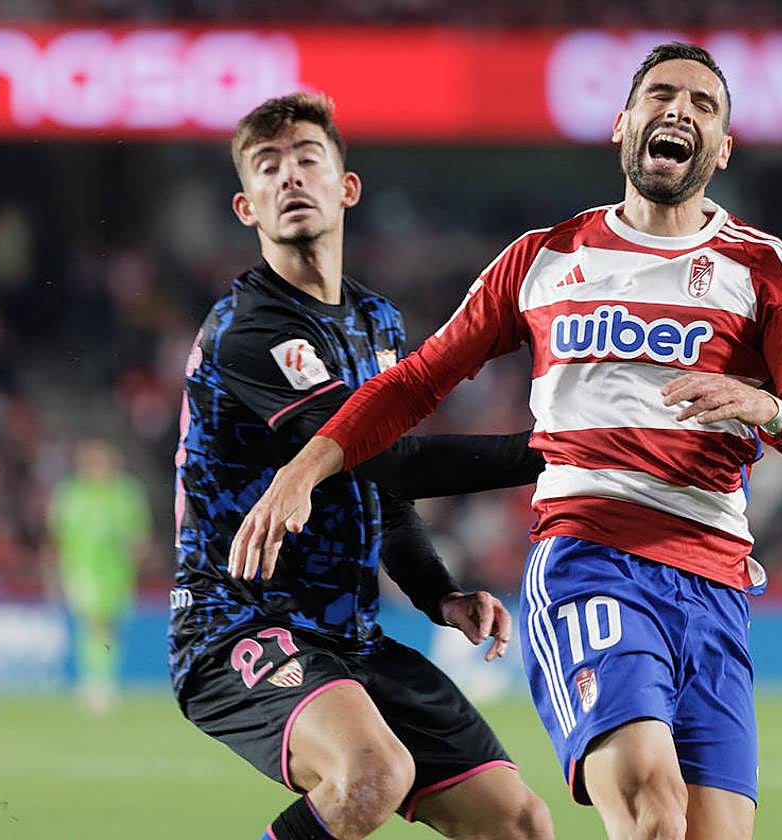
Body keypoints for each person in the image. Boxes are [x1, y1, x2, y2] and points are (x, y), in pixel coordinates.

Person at [233, 44, 782, 840]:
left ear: (724, 147)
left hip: (716, 588)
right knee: (650, 806)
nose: (679, 112)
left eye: (702, 105)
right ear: (622, 124)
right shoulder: (543, 258)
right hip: (593, 561)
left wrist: (766, 408)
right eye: (660, 96)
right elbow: (414, 383)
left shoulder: (764, 269)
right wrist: (305, 469)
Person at [169, 93, 554, 840]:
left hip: (350, 637)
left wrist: (438, 595)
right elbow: (392, 459)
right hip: (237, 624)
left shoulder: (375, 322)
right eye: (268, 166)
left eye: (307, 159)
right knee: (371, 773)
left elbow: (379, 492)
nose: (290, 177)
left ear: (347, 187)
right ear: (246, 207)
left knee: (520, 825)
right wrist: (559, 447)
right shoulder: (249, 330)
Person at [49, 438, 149, 715]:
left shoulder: (125, 492)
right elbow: (58, 536)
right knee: (95, 625)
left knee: (112, 629)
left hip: (118, 573)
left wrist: (137, 552)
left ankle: (103, 682)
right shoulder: (72, 494)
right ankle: (95, 685)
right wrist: (57, 572)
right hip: (83, 570)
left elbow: (138, 534)